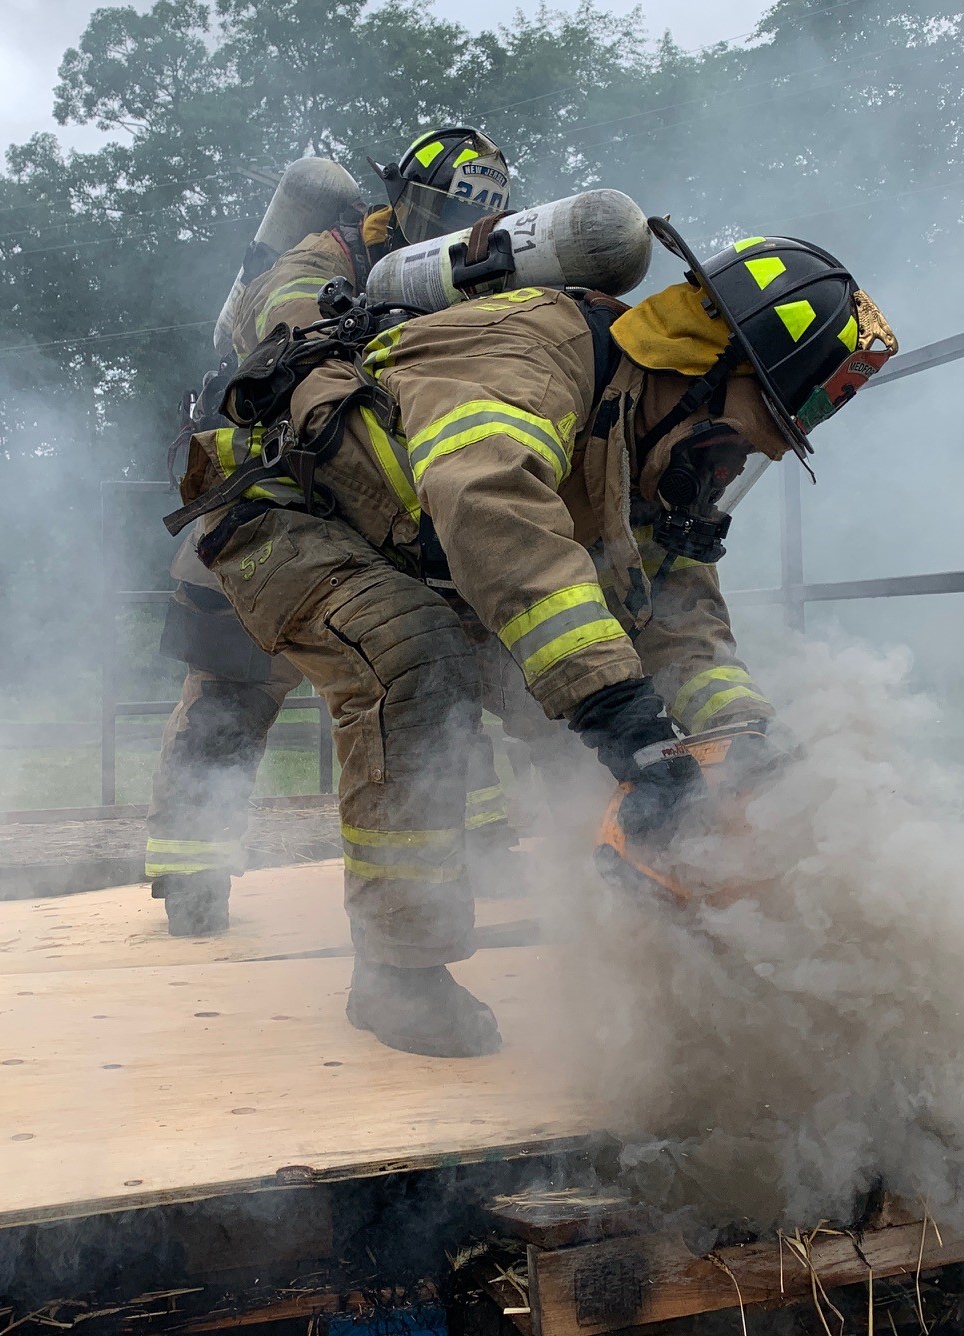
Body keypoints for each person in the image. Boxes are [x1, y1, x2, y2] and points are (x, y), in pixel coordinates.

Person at [175, 220, 896, 1053]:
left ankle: (634, 944)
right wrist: (628, 724)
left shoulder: (668, 446)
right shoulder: (533, 349)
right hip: (287, 509)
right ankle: (398, 974)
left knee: (579, 715)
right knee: (418, 663)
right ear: (702, 368)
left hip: (422, 547)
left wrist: (737, 740)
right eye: (737, 436)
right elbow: (489, 507)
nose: (732, 466)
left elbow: (677, 618)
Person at [147, 127, 519, 936]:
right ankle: (191, 875)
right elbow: (295, 334)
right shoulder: (324, 257)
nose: (451, 225)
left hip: (380, 513)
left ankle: (484, 846)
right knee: (229, 696)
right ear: (402, 201)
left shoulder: (467, 278)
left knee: (435, 673)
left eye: (467, 214)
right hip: (269, 509)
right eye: (441, 208)